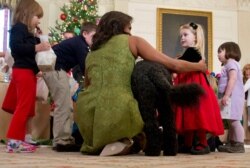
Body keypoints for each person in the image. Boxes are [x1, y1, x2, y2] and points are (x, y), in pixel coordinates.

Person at [75, 11, 207, 156]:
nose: (130, 32)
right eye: (129, 28)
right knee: (141, 118)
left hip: (87, 114)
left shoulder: (91, 53)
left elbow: (87, 85)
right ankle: (125, 142)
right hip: (119, 110)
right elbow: (173, 65)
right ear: (119, 26)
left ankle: (107, 141)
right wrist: (199, 66)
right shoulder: (132, 41)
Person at [1, 0, 50, 153]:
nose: (39, 20)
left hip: (27, 70)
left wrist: (36, 70)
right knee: (23, 106)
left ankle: (25, 136)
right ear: (27, 14)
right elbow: (16, 49)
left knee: (28, 107)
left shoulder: (27, 32)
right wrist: (37, 46)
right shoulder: (18, 28)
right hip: (22, 72)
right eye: (37, 16)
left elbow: (29, 56)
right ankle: (14, 141)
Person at [42, 22, 96, 152]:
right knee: (64, 105)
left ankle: (64, 138)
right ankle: (61, 140)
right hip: (56, 70)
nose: (96, 39)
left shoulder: (79, 43)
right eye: (94, 36)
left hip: (57, 71)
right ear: (85, 33)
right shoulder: (80, 44)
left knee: (66, 105)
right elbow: (85, 68)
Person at [172, 22, 224, 155]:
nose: (182, 38)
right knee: (190, 114)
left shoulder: (193, 51)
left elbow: (177, 64)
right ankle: (188, 144)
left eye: (185, 35)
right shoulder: (191, 52)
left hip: (195, 87)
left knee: (196, 114)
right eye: (181, 35)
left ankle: (203, 143)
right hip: (189, 85)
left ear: (195, 37)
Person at [217, 42, 245, 153]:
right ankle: (233, 142)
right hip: (231, 98)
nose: (218, 54)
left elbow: (232, 79)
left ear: (229, 51)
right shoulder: (228, 64)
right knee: (231, 121)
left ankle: (239, 144)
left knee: (235, 121)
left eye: (220, 51)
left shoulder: (231, 63)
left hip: (233, 98)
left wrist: (227, 95)